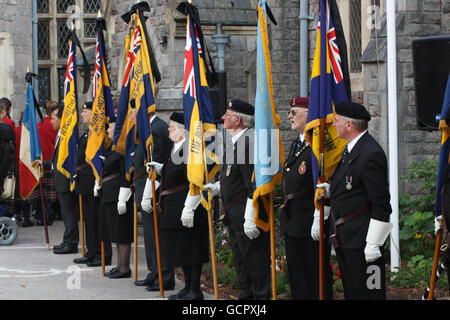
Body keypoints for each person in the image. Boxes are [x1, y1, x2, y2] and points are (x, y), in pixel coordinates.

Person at [316, 101, 392, 300]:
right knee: (353, 292)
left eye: (337, 121)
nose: (334, 125)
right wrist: (332, 191)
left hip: (363, 240)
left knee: (370, 292)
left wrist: (374, 243)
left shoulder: (370, 153)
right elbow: (355, 187)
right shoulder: (350, 149)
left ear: (349, 125)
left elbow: (381, 202)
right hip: (347, 238)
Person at [204, 100, 271, 300]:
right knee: (242, 261)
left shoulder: (248, 142)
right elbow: (233, 176)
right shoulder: (237, 142)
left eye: (227, 114)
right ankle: (246, 297)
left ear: (238, 119)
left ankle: (259, 300)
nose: (223, 118)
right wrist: (218, 188)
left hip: (246, 212)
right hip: (234, 213)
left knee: (255, 261)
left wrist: (251, 216)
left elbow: (253, 184)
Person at [146, 112, 208, 300]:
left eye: (172, 127)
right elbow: (173, 172)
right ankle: (187, 287)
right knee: (180, 249)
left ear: (182, 130)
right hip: (172, 207)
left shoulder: (189, 150)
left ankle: (195, 290)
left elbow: (194, 179)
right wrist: (160, 168)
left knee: (191, 248)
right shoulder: (174, 149)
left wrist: (189, 207)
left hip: (185, 205)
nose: (168, 130)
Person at [281, 97, 332, 299]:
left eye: (295, 112)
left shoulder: (318, 144)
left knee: (316, 273)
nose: (290, 116)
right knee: (297, 274)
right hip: (293, 220)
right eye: (290, 111)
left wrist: (321, 211)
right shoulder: (298, 143)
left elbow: (324, 179)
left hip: (310, 219)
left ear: (309, 114)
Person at [134, 111, 173, 291]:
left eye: (133, 109)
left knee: (157, 234)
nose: (131, 114)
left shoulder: (156, 128)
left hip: (153, 188)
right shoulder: (147, 127)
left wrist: (149, 194)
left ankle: (164, 275)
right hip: (145, 186)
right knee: (150, 235)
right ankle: (154, 272)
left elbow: (155, 164)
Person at [99, 117, 134, 278]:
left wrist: (123, 195)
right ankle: (119, 265)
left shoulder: (122, 150)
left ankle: (125, 267)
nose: (107, 130)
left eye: (111, 127)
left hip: (120, 195)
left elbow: (125, 175)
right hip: (110, 194)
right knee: (116, 231)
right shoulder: (113, 149)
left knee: (122, 231)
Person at [73, 102, 103, 267]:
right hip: (83, 180)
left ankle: (99, 252)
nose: (83, 114)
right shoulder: (87, 132)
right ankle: (91, 251)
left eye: (85, 111)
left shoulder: (97, 132)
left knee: (95, 218)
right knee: (88, 219)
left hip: (92, 179)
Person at [51, 105, 79, 254]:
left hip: (66, 179)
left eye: (54, 118)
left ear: (62, 119)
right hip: (60, 179)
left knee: (69, 213)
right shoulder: (60, 135)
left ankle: (71, 242)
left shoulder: (67, 136)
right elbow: (57, 160)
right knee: (65, 213)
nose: (51, 121)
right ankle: (67, 240)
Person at [35, 101, 59, 225]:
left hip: (42, 160)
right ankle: (49, 215)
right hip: (52, 160)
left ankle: (41, 216)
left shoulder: (40, 125)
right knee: (52, 192)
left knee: (43, 192)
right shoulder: (54, 124)